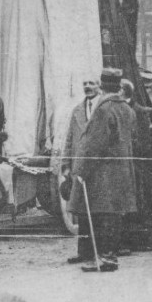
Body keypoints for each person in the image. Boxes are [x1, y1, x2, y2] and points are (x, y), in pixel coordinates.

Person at [67, 68, 137, 272]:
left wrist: (80, 170)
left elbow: (94, 144)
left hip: (103, 173)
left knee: (102, 214)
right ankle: (110, 256)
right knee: (113, 215)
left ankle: (105, 258)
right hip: (121, 170)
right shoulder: (127, 109)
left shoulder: (103, 110)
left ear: (103, 86)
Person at [61, 77, 101, 265]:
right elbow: (69, 139)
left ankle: (100, 252)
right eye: (84, 84)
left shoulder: (103, 108)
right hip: (79, 167)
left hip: (98, 168)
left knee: (99, 211)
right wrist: (66, 165)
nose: (87, 87)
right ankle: (83, 252)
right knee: (82, 210)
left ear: (99, 86)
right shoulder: (77, 110)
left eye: (91, 83)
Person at [119, 77, 151, 253]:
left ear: (124, 92)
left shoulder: (139, 111)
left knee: (135, 203)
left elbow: (144, 141)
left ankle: (135, 242)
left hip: (134, 163)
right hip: (124, 162)